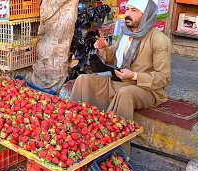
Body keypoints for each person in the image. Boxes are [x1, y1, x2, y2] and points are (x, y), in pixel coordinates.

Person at [70, 0, 171, 158]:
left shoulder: (160, 40)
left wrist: (134, 75)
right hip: (121, 80)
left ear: (146, 15)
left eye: (134, 11)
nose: (128, 14)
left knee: (125, 93)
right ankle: (76, 131)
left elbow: (163, 77)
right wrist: (103, 49)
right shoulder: (125, 33)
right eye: (127, 9)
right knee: (84, 79)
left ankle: (116, 152)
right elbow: (112, 59)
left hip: (147, 89)